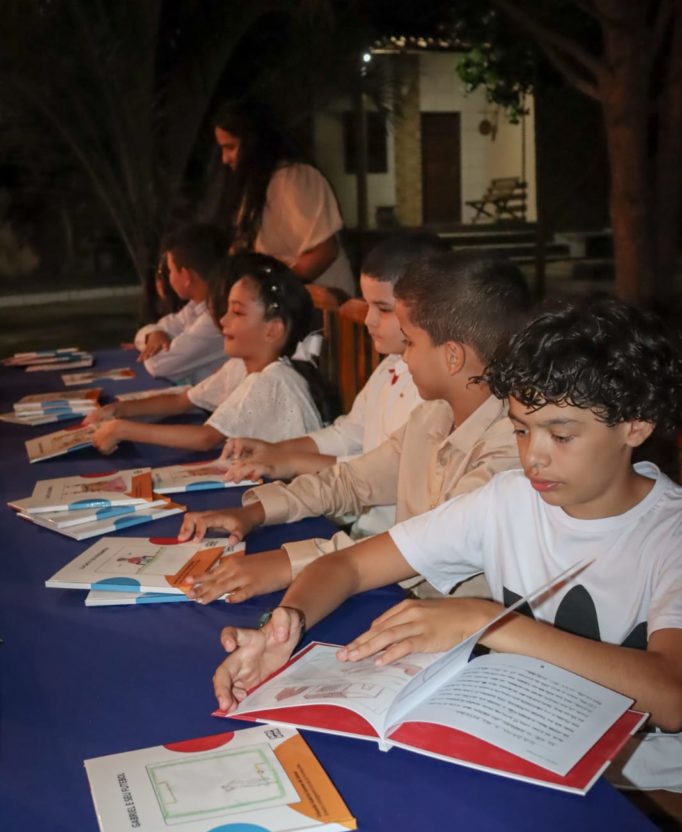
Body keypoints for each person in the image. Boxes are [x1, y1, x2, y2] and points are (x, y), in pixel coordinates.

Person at [209, 296, 682, 776]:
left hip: (643, 796)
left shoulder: (670, 533)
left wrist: (491, 624)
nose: (534, 457)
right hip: (525, 755)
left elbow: (671, 695)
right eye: (521, 431)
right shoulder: (509, 500)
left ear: (635, 426)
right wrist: (285, 623)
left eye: (560, 436)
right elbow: (349, 566)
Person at [178, 251, 531, 603]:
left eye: (409, 343)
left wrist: (285, 563)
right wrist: (254, 512)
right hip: (398, 593)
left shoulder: (508, 451)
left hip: (458, 630)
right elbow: (353, 480)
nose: (402, 357)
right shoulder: (433, 416)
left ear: (452, 356)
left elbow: (421, 548)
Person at [221, 231, 450, 525]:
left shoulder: (433, 389)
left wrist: (290, 462)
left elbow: (379, 475)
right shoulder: (391, 365)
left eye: (383, 309)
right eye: (367, 305)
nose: (368, 320)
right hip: (361, 525)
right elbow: (349, 433)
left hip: (388, 538)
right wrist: (277, 450)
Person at [90, 255, 333, 456]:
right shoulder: (244, 367)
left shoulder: (271, 380)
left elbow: (206, 438)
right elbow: (185, 399)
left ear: (272, 330)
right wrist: (120, 411)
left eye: (237, 313)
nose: (223, 320)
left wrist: (123, 430)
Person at [214, 99, 355, 296]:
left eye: (230, 147)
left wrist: (276, 289)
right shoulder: (254, 188)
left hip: (320, 309)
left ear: (253, 143)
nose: (225, 159)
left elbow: (324, 252)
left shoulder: (294, 179)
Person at [132, 224, 230, 385]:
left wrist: (157, 341)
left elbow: (158, 365)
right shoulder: (196, 306)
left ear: (186, 276)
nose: (168, 278)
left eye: (170, 271)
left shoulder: (218, 317)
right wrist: (154, 335)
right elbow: (157, 327)